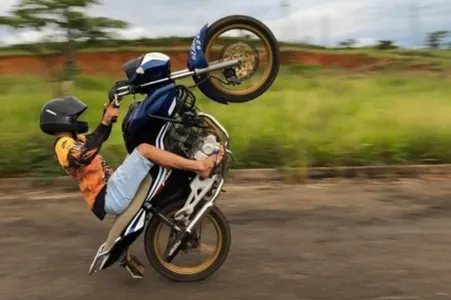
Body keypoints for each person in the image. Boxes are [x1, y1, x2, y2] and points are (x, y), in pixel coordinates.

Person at [39, 94, 224, 279]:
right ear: (62, 119)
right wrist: (104, 122)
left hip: (111, 189)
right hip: (108, 195)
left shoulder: (74, 140)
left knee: (152, 157)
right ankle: (200, 166)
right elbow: (84, 154)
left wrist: (108, 118)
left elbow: (96, 138)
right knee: (144, 150)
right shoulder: (62, 145)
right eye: (75, 117)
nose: (78, 120)